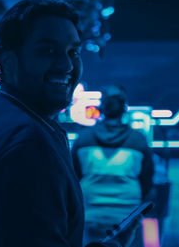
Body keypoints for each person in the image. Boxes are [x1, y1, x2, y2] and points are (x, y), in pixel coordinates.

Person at [0, 0, 137, 247]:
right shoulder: (27, 143)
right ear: (7, 61)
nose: (66, 64)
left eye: (73, 52)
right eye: (48, 50)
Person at [72, 85, 154, 246]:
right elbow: (147, 181)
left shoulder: (83, 139)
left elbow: (73, 178)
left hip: (90, 216)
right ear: (124, 108)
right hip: (128, 217)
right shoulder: (138, 140)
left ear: (102, 107)